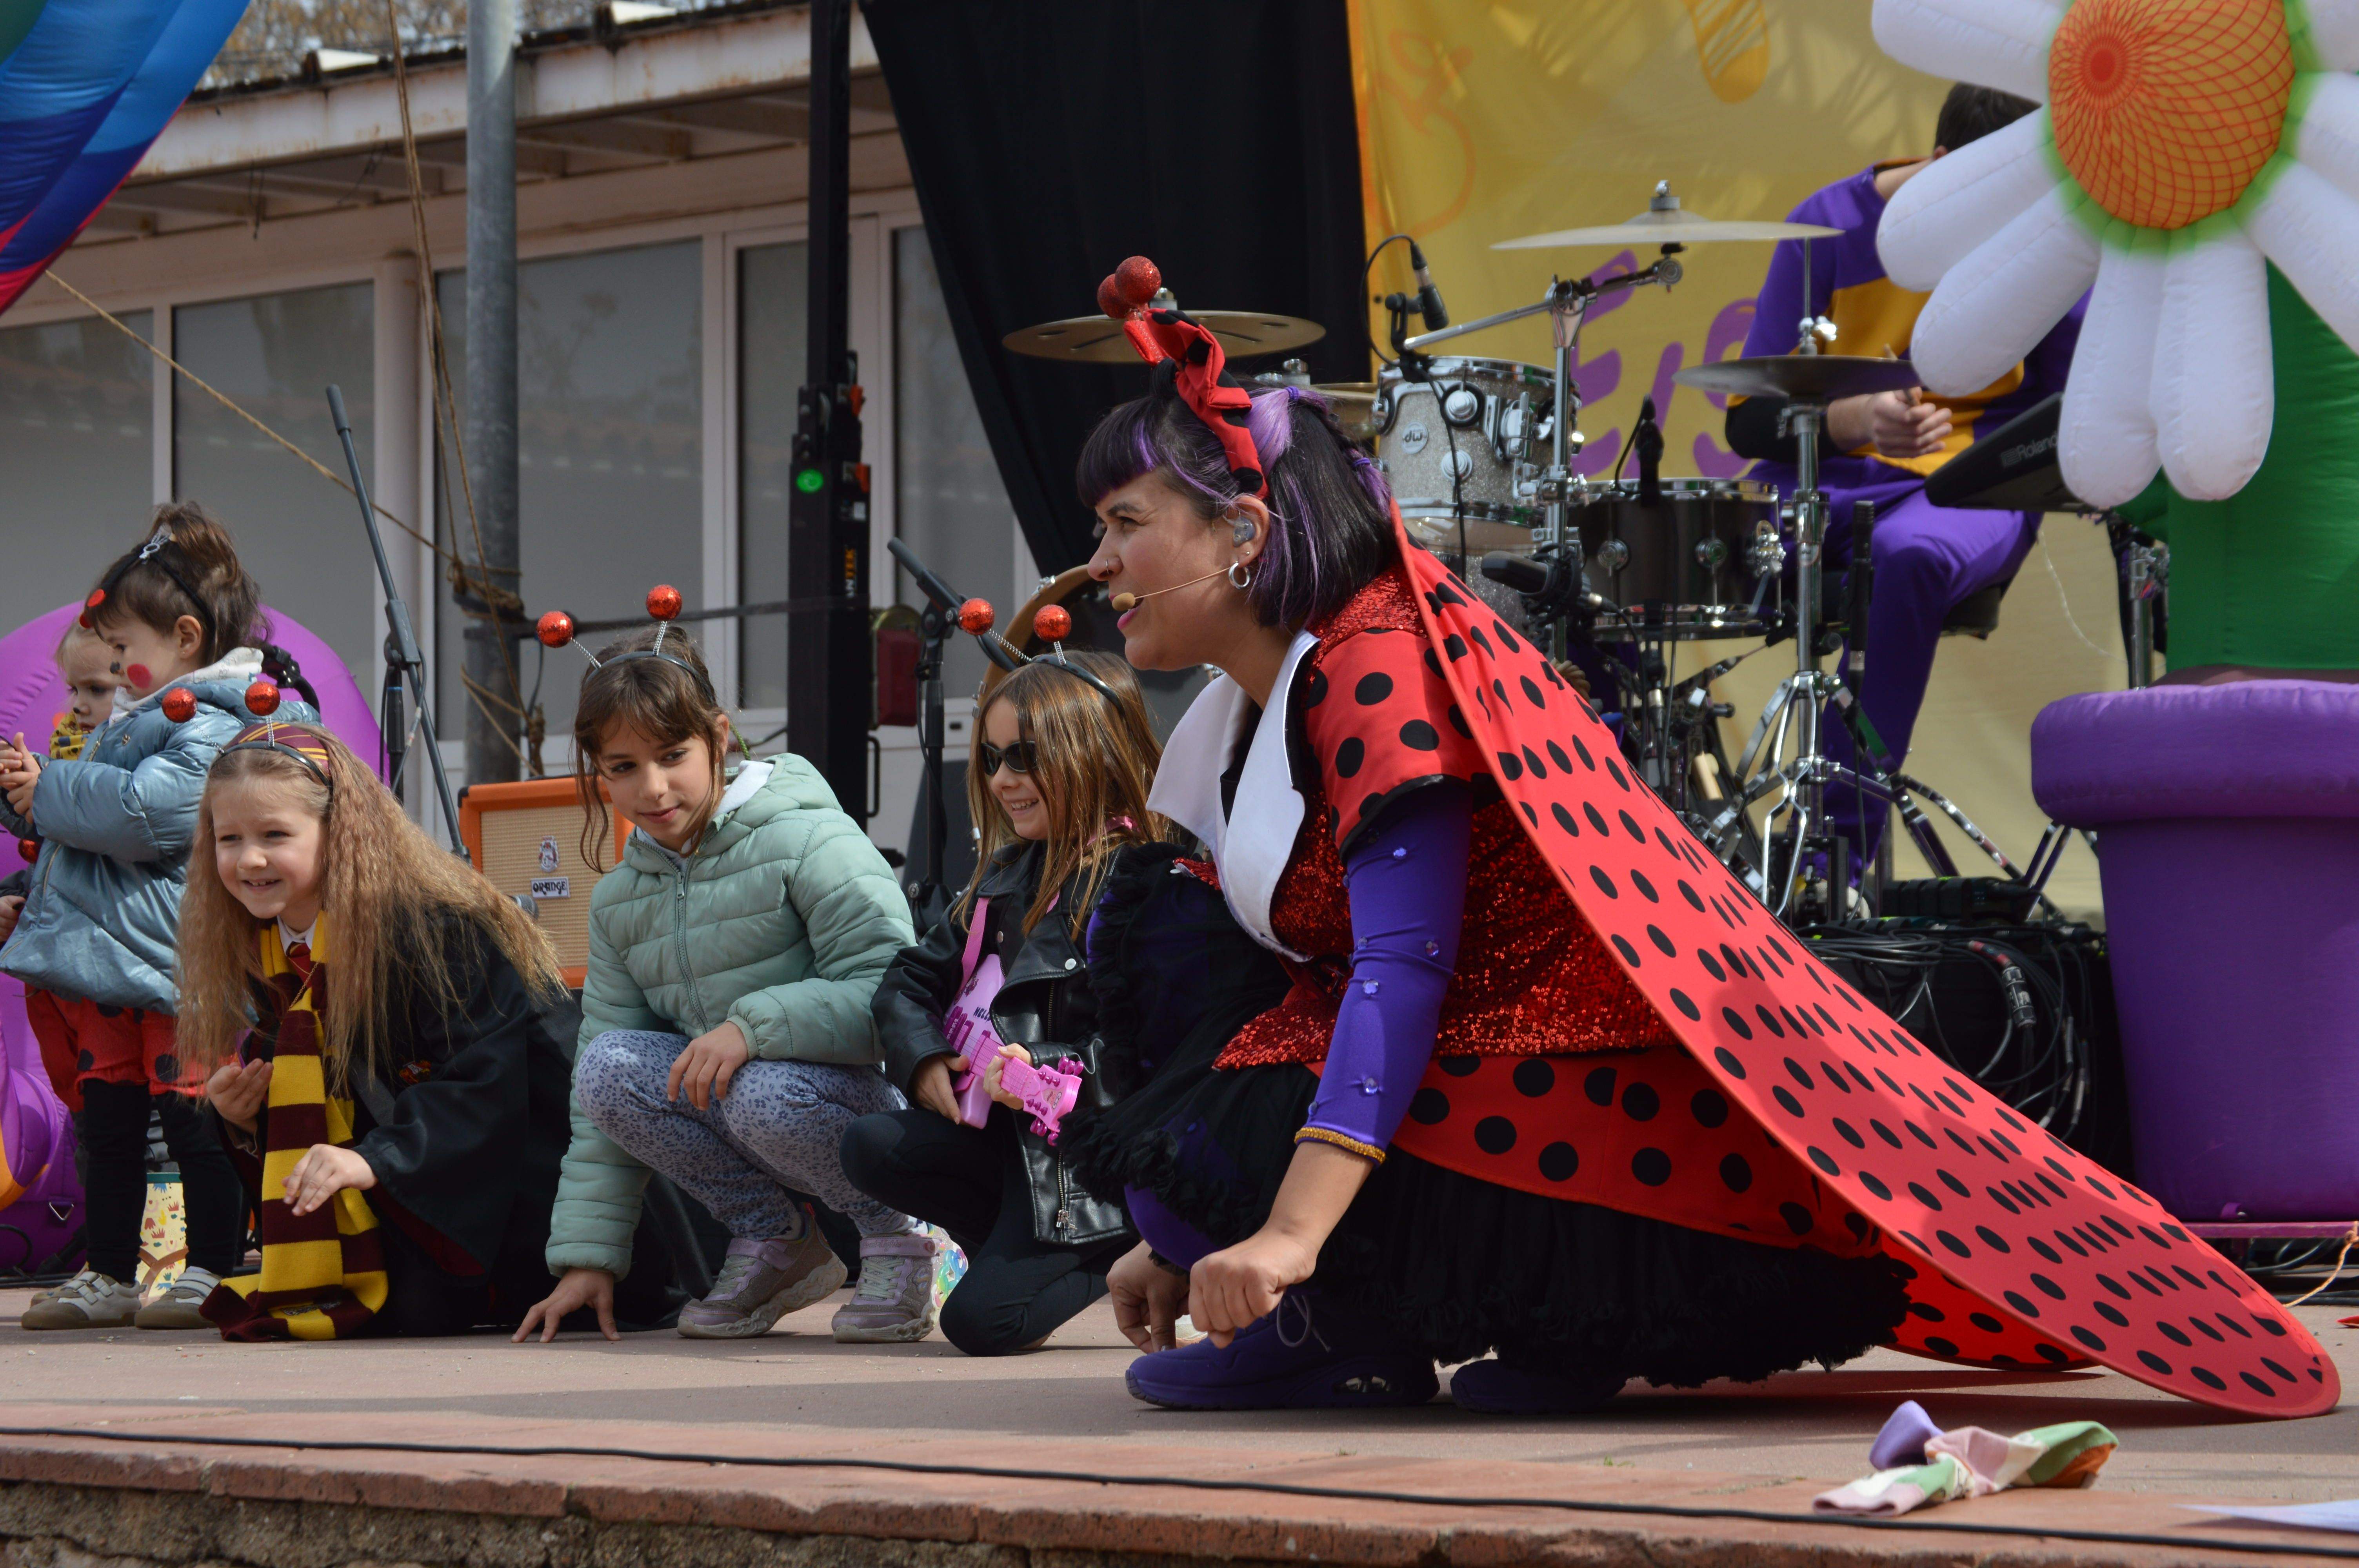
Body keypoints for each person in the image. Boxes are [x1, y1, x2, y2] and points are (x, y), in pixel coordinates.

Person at [1053, 273, 2328, 1420]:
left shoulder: (1377, 666)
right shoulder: (1258, 699)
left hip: (1583, 1102)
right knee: (1163, 940)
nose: (1096, 563)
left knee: (1209, 1078)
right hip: (1478, 1066)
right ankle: (1359, 1330)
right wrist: (1181, 1228)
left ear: (1240, 533)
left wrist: (1276, 1235)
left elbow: (1402, 970)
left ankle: (1415, 1315)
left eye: (1124, 523)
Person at [516, 620, 927, 1345]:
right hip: (750, 1103)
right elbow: (602, 1097)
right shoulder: (619, 900)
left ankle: (905, 1235)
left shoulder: (807, 838)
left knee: (760, 1088)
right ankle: (775, 1242)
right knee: (607, 1072)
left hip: (858, 1105)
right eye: (622, 767)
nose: (653, 787)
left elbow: (893, 999)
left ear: (720, 737)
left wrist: (751, 1027)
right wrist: (589, 1258)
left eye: (673, 755)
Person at [1723, 83, 2086, 862]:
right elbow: (1746, 420)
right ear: (1944, 167)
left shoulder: (2046, 236)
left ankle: (1832, 848)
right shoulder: (1825, 226)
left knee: (1907, 557)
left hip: (1962, 487)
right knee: (1654, 561)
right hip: (1822, 485)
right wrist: (1853, 420)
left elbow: (2071, 405)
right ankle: (1666, 827)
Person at [180, 719, 589, 1338]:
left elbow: (486, 1082)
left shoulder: (438, 929)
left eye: (275, 834)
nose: (249, 859)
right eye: (228, 837)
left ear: (339, 833)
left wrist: (376, 1160)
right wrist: (241, 1121)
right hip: (410, 1181)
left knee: (408, 1306)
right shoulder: (269, 946)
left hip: (523, 1193)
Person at [1, 504, 306, 1332]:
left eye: (123, 653)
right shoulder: (133, 722)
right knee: (107, 1128)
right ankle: (107, 1269)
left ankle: (210, 1262)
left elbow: (146, 817)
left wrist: (54, 792)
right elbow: (88, 836)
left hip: (176, 962)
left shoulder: (212, 720)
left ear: (183, 638)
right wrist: (29, 802)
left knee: (195, 1117)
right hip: (111, 968)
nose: (112, 667)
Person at [845, 651, 1167, 1355]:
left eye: (1025, 756)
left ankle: (1130, 1240)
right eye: (992, 758)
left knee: (981, 1325)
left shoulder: (1147, 878)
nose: (1002, 780)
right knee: (870, 1144)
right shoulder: (1008, 871)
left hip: (1086, 1162)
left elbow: (1168, 1046)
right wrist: (924, 1055)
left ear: (1094, 751)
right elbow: (907, 978)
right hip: (1006, 1139)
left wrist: (1042, 1069)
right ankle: (1007, 1245)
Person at [18, 621, 122, 1114]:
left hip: (120, 987)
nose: (79, 704)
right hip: (63, 981)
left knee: (146, 1132)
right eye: (74, 689)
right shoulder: (64, 757)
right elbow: (52, 865)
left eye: (97, 689)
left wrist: (47, 792)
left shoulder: (136, 770)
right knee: (92, 1123)